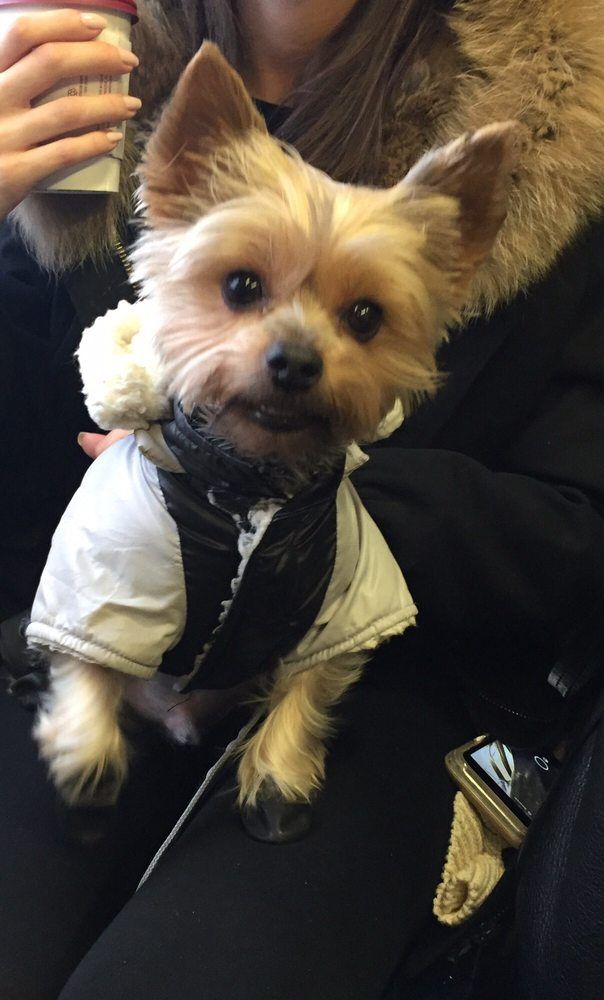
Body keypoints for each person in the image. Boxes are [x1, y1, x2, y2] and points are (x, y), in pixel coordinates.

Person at [1, 1, 603, 997]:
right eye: (242, 287)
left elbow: (574, 536)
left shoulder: (560, 130)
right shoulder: (73, 64)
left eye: (361, 315)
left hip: (383, 693)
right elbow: (23, 478)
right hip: (92, 636)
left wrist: (307, 496)